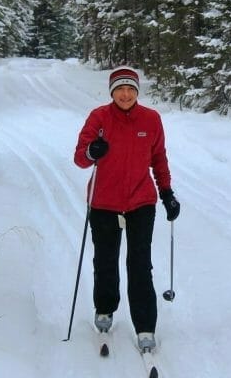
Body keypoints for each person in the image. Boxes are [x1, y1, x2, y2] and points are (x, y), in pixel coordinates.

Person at [73, 66, 180, 353]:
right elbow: (80, 158)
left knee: (140, 265)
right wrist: (91, 152)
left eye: (130, 88)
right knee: (106, 261)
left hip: (140, 202)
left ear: (137, 91)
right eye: (120, 89)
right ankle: (105, 310)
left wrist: (167, 193)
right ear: (112, 92)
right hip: (103, 202)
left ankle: (145, 326)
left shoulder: (151, 119)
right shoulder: (99, 117)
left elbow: (159, 159)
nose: (125, 94)